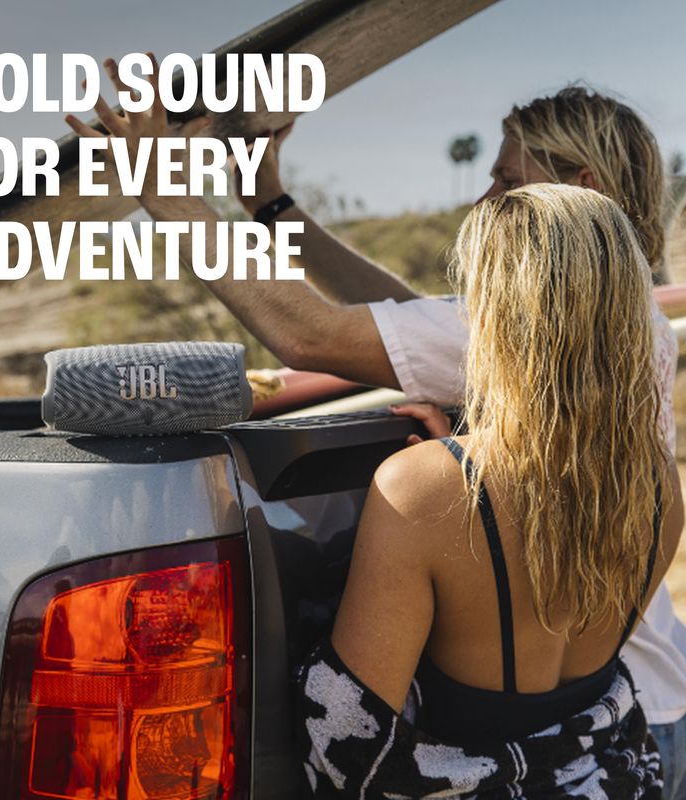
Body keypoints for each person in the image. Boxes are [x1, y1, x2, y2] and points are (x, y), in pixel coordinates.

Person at [65, 66, 686, 795]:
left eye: (507, 181)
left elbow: (310, 333)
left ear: (582, 186)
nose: (484, 197)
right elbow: (413, 322)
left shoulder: (430, 486)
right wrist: (270, 204)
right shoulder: (645, 417)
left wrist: (163, 189)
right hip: (622, 744)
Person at [298, 183, 684, 798]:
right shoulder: (657, 482)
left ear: (497, 313)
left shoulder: (421, 489)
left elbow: (348, 738)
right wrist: (462, 454)